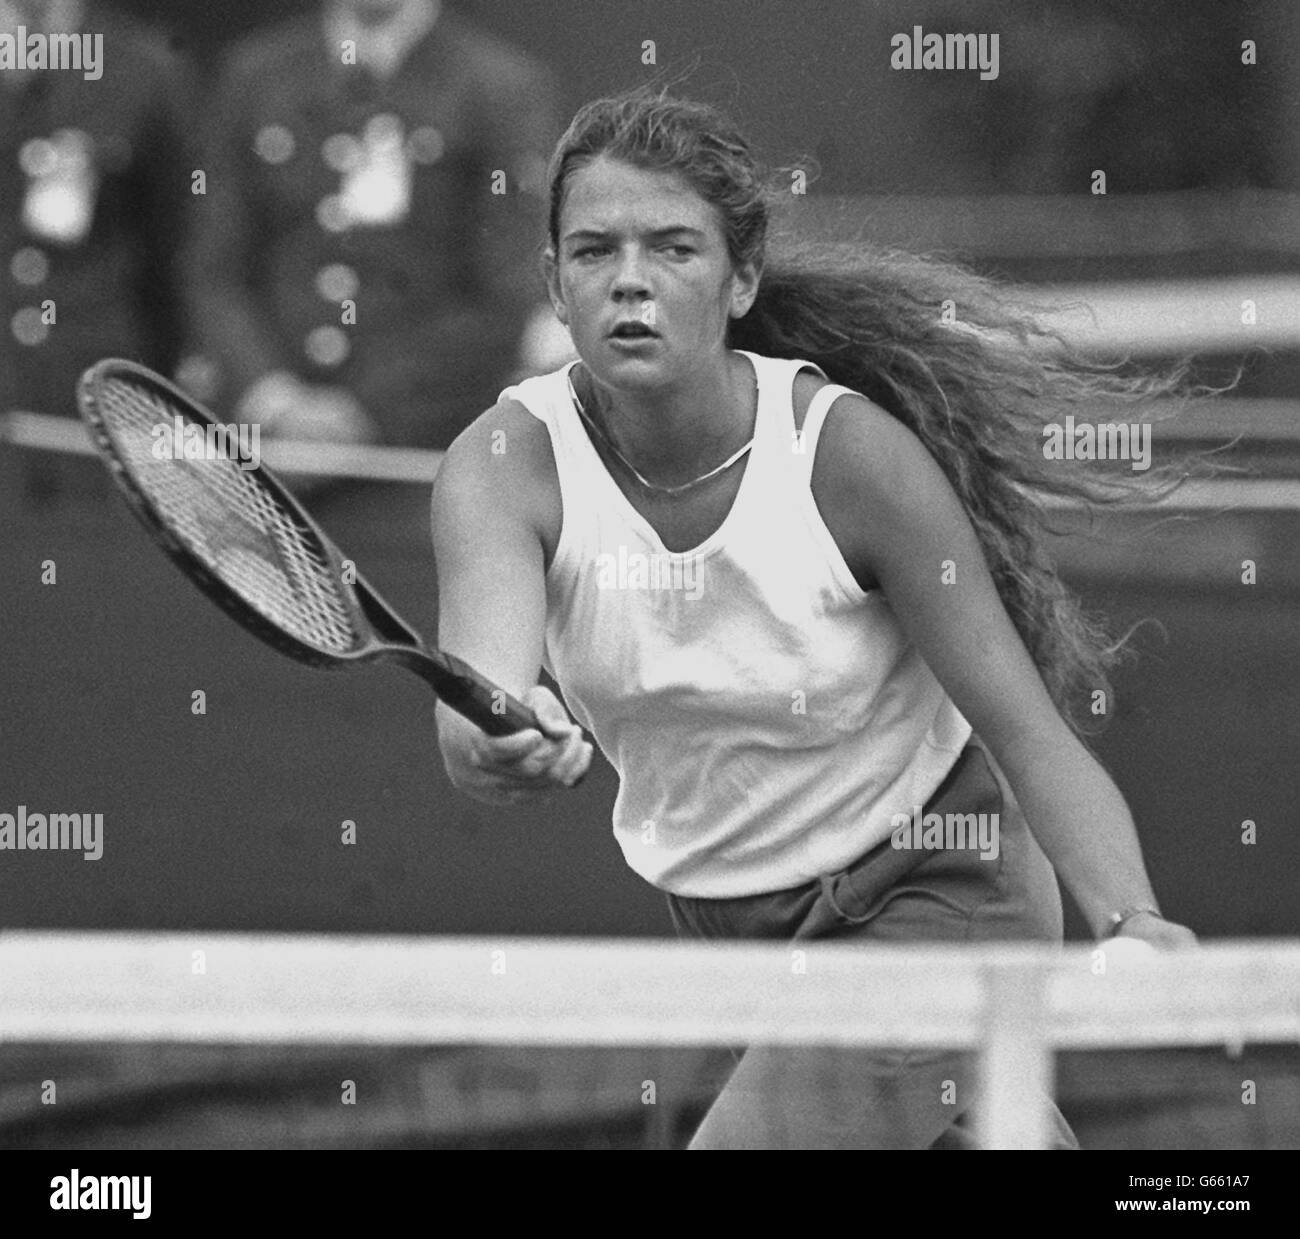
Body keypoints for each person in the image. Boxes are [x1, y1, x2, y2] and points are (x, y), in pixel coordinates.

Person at [429, 88, 1200, 1150]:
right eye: (593, 251)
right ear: (554, 286)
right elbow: (482, 701)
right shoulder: (503, 465)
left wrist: (1130, 919)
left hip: (938, 886)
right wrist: (500, 734)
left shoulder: (851, 461)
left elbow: (1025, 731)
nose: (631, 282)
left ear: (741, 278)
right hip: (736, 927)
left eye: (674, 249)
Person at [182, 0, 562, 452]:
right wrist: (271, 396)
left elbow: (511, 289)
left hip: (416, 445)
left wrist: (365, 410)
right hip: (262, 445)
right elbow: (213, 266)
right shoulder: (255, 74)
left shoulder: (502, 86)